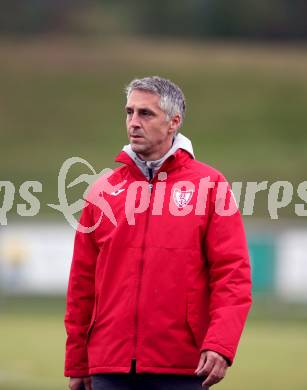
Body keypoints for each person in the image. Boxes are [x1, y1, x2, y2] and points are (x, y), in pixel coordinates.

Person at [64, 76, 252, 390]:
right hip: (110, 367)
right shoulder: (103, 191)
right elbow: (82, 283)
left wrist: (221, 343)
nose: (133, 122)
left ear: (173, 122)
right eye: (129, 112)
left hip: (182, 366)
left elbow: (232, 274)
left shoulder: (210, 186)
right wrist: (77, 361)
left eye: (145, 114)